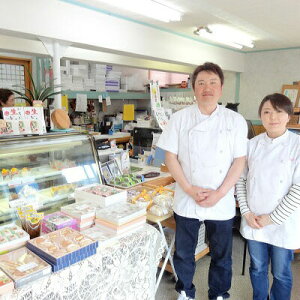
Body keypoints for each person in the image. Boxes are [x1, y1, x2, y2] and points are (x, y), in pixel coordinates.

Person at [157, 62, 248, 300]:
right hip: (187, 198)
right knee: (184, 252)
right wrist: (188, 188)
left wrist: (218, 193)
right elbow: (170, 157)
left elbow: (239, 162)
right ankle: (185, 291)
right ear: (193, 88)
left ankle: (219, 293)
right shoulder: (179, 118)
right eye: (201, 83)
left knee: (221, 254)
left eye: (212, 82)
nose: (207, 88)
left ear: (221, 87)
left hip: (221, 199)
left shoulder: (235, 120)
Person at [236, 93, 300, 300]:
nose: (273, 117)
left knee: (281, 273)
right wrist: (246, 213)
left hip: (283, 223)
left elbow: (298, 189)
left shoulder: (297, 145)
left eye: (279, 111)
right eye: (267, 112)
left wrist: (271, 218)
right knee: (257, 268)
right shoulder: (251, 145)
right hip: (254, 221)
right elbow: (241, 181)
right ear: (260, 116)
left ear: (288, 115)